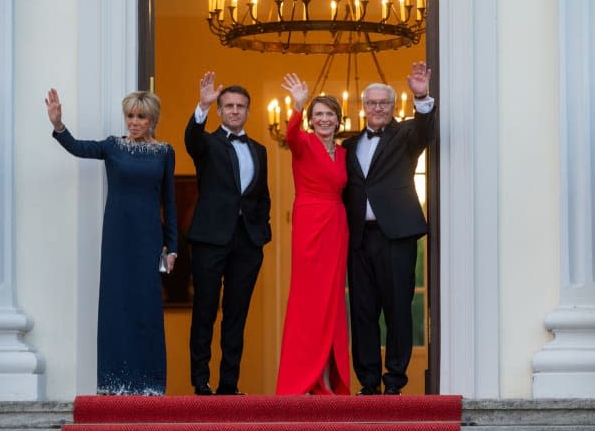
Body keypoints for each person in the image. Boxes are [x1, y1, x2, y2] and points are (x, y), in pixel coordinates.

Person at [45, 88, 177, 395]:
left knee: (146, 307)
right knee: (116, 306)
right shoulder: (113, 146)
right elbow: (78, 147)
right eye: (130, 116)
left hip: (149, 238)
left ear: (152, 119)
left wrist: (172, 248)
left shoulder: (164, 152)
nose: (133, 122)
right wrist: (58, 125)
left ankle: (150, 385)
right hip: (118, 236)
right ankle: (115, 383)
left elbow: (169, 203)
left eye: (140, 116)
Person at [342, 61, 435, 396]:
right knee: (363, 312)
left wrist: (421, 97)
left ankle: (394, 381)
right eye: (372, 103)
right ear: (363, 108)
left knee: (398, 308)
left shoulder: (405, 134)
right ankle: (368, 382)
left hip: (396, 235)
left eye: (384, 103)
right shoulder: (350, 145)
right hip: (359, 238)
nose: (378, 108)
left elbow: (425, 130)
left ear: (393, 107)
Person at [185, 72, 271, 396]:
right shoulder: (206, 143)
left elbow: (262, 195)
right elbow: (191, 139)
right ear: (220, 111)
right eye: (229, 106)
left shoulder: (260, 150)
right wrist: (201, 107)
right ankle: (200, 382)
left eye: (241, 106)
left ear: (248, 111)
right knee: (205, 309)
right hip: (210, 238)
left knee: (237, 314)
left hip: (247, 242)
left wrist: (262, 232)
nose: (235, 111)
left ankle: (229, 384)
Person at [275, 73, 350, 395]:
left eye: (329, 114)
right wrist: (297, 104)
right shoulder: (302, 142)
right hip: (309, 221)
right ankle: (304, 379)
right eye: (317, 114)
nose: (323, 119)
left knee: (333, 301)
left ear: (338, 119)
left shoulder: (345, 153)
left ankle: (328, 377)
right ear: (311, 118)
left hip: (336, 222)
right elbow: (290, 134)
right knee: (309, 301)